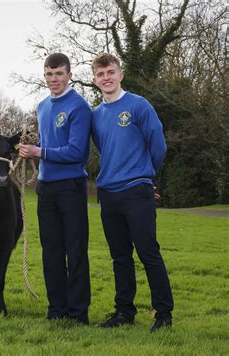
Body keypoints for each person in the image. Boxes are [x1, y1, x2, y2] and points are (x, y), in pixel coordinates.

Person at [90, 53, 174, 332]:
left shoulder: (139, 105)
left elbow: (158, 146)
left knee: (148, 252)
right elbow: (105, 149)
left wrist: (146, 176)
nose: (107, 78)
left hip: (137, 190)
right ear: (95, 80)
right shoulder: (96, 115)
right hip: (108, 193)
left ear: (120, 74)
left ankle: (163, 314)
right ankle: (125, 311)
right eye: (101, 75)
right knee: (120, 257)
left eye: (111, 72)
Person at [19, 53, 91, 325]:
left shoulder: (79, 107)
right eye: (49, 74)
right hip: (46, 187)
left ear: (69, 75)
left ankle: (78, 312)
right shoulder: (42, 106)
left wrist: (40, 150)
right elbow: (49, 145)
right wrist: (32, 150)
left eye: (59, 74)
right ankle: (57, 309)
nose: (53, 79)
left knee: (75, 249)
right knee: (51, 250)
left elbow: (76, 151)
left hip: (71, 186)